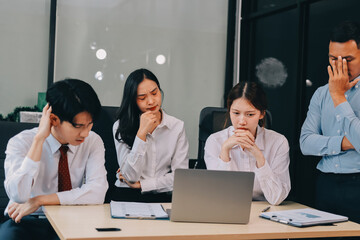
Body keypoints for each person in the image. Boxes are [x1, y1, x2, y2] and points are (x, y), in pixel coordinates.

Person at [0, 79, 108, 240]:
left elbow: (97, 192)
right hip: (26, 221)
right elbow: (19, 196)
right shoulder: (21, 142)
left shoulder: (93, 141)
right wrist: (39, 140)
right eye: (79, 126)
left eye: (90, 125)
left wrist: (40, 200)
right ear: (53, 119)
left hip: (73, 219)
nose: (85, 133)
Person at [300, 20, 360, 224]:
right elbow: (306, 143)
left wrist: (338, 97)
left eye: (348, 59)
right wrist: (345, 142)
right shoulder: (320, 94)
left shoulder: (331, 93)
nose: (339, 66)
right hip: (325, 183)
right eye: (333, 59)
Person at [204, 81, 291, 205]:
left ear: (262, 114)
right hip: (227, 210)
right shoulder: (215, 141)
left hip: (265, 212)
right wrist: (225, 152)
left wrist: (259, 157)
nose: (242, 121)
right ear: (229, 111)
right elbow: (218, 195)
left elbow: (276, 198)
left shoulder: (278, 142)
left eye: (250, 114)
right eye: (236, 113)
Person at [112, 68, 189, 202]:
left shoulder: (176, 126)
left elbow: (180, 178)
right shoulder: (120, 126)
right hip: (126, 194)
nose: (151, 101)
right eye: (142, 98)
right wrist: (141, 133)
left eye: (154, 93)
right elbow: (130, 176)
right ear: (133, 101)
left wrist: (143, 185)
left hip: (163, 196)